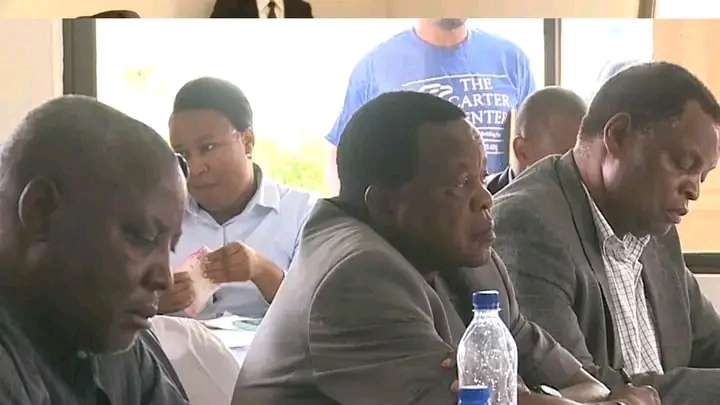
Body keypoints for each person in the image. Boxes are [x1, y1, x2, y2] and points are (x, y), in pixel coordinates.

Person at [232, 91, 659, 405]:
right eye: (460, 183)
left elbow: (581, 382)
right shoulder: (356, 277)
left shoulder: (471, 260)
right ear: (386, 205)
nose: (486, 199)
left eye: (482, 177)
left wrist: (538, 397)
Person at [492, 61, 720, 405]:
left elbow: (709, 343)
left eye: (702, 175)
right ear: (618, 136)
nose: (694, 190)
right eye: (684, 165)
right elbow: (576, 387)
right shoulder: (526, 225)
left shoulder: (654, 225)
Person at [0, 95, 189, 404]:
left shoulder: (105, 332)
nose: (164, 278)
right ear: (40, 212)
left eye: (171, 247)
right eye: (141, 237)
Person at [164, 77, 316, 319]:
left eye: (207, 148)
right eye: (182, 154)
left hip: (267, 344)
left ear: (247, 142)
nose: (195, 168)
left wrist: (261, 270)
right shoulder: (161, 217)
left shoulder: (304, 214)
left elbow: (318, 313)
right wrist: (155, 301)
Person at [325, 18, 537, 191]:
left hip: (494, 215)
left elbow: (534, 149)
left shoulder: (511, 60)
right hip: (413, 222)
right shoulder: (375, 67)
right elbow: (342, 159)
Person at [486, 86, 586, 194]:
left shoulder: (586, 199)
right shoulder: (482, 201)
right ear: (522, 151)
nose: (579, 173)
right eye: (566, 160)